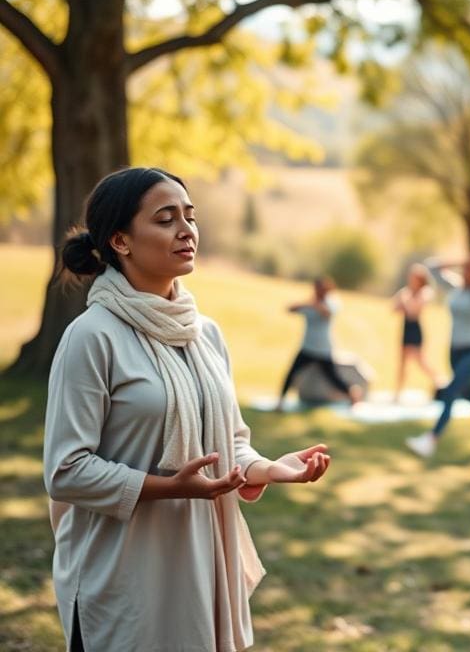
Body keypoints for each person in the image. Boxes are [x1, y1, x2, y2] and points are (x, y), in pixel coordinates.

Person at [43, 167, 332, 652]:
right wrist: (168, 488)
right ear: (121, 241)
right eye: (165, 218)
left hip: (201, 565)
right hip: (122, 571)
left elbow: (229, 444)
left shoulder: (205, 333)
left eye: (190, 217)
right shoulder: (91, 337)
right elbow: (66, 471)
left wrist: (270, 468)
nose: (186, 230)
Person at [405, 248, 470, 457]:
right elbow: (431, 266)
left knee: (450, 391)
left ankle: (431, 440)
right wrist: (462, 260)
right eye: (468, 268)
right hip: (455, 353)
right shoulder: (456, 287)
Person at [276, 276, 363, 410]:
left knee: (334, 378)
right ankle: (280, 401)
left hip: (323, 349)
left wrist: (314, 305)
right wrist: (307, 304)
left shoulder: (331, 302)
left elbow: (327, 314)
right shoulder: (310, 304)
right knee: (291, 374)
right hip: (307, 347)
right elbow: (290, 309)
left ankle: (353, 394)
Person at [392, 263, 440, 397]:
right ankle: (398, 392)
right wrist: (402, 302)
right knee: (402, 362)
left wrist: (405, 301)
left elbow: (413, 311)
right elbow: (394, 308)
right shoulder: (406, 291)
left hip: (415, 328)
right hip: (406, 327)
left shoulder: (425, 292)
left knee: (420, 361)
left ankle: (439, 380)